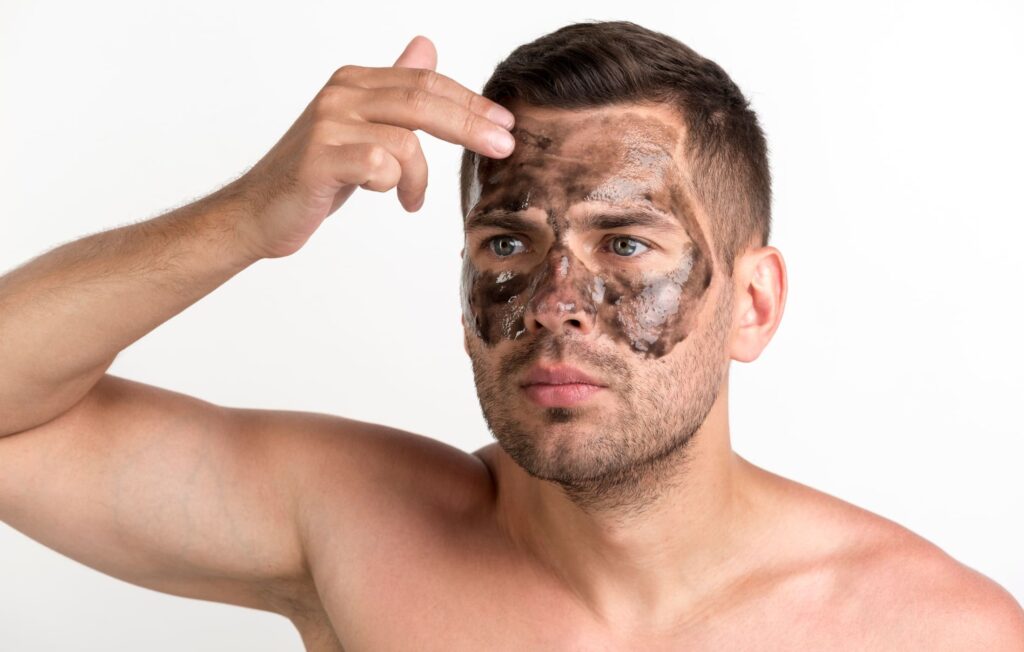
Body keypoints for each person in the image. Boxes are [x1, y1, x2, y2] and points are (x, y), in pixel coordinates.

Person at [0, 20, 1021, 651]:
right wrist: (246, 219)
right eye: (506, 242)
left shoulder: (933, 634)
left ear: (751, 304)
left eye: (623, 242)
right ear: (462, 302)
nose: (549, 300)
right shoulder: (356, 535)